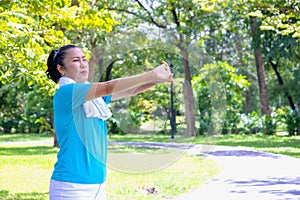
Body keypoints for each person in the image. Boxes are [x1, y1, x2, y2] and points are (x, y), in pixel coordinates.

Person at [45, 44, 173, 199]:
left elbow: (129, 90)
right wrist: (151, 74)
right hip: (71, 187)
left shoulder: (92, 97)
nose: (83, 63)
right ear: (61, 69)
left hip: (97, 183)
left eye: (84, 59)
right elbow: (108, 87)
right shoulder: (66, 92)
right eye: (76, 60)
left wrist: (156, 80)